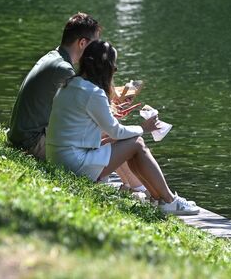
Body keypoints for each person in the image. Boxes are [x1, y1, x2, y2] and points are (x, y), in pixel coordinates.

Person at [46, 40, 199, 215]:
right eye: (114, 67)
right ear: (107, 68)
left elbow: (89, 129)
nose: (115, 71)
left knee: (129, 142)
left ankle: (159, 199)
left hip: (58, 158)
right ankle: (169, 200)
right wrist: (144, 127)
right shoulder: (93, 92)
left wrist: (112, 111)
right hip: (73, 164)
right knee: (137, 143)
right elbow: (115, 131)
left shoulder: (69, 85)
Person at [8, 12, 101, 160]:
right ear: (82, 43)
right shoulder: (63, 69)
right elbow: (80, 118)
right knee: (106, 137)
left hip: (21, 136)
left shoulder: (54, 57)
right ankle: (110, 180)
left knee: (104, 134)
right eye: (95, 44)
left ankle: (128, 183)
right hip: (32, 143)